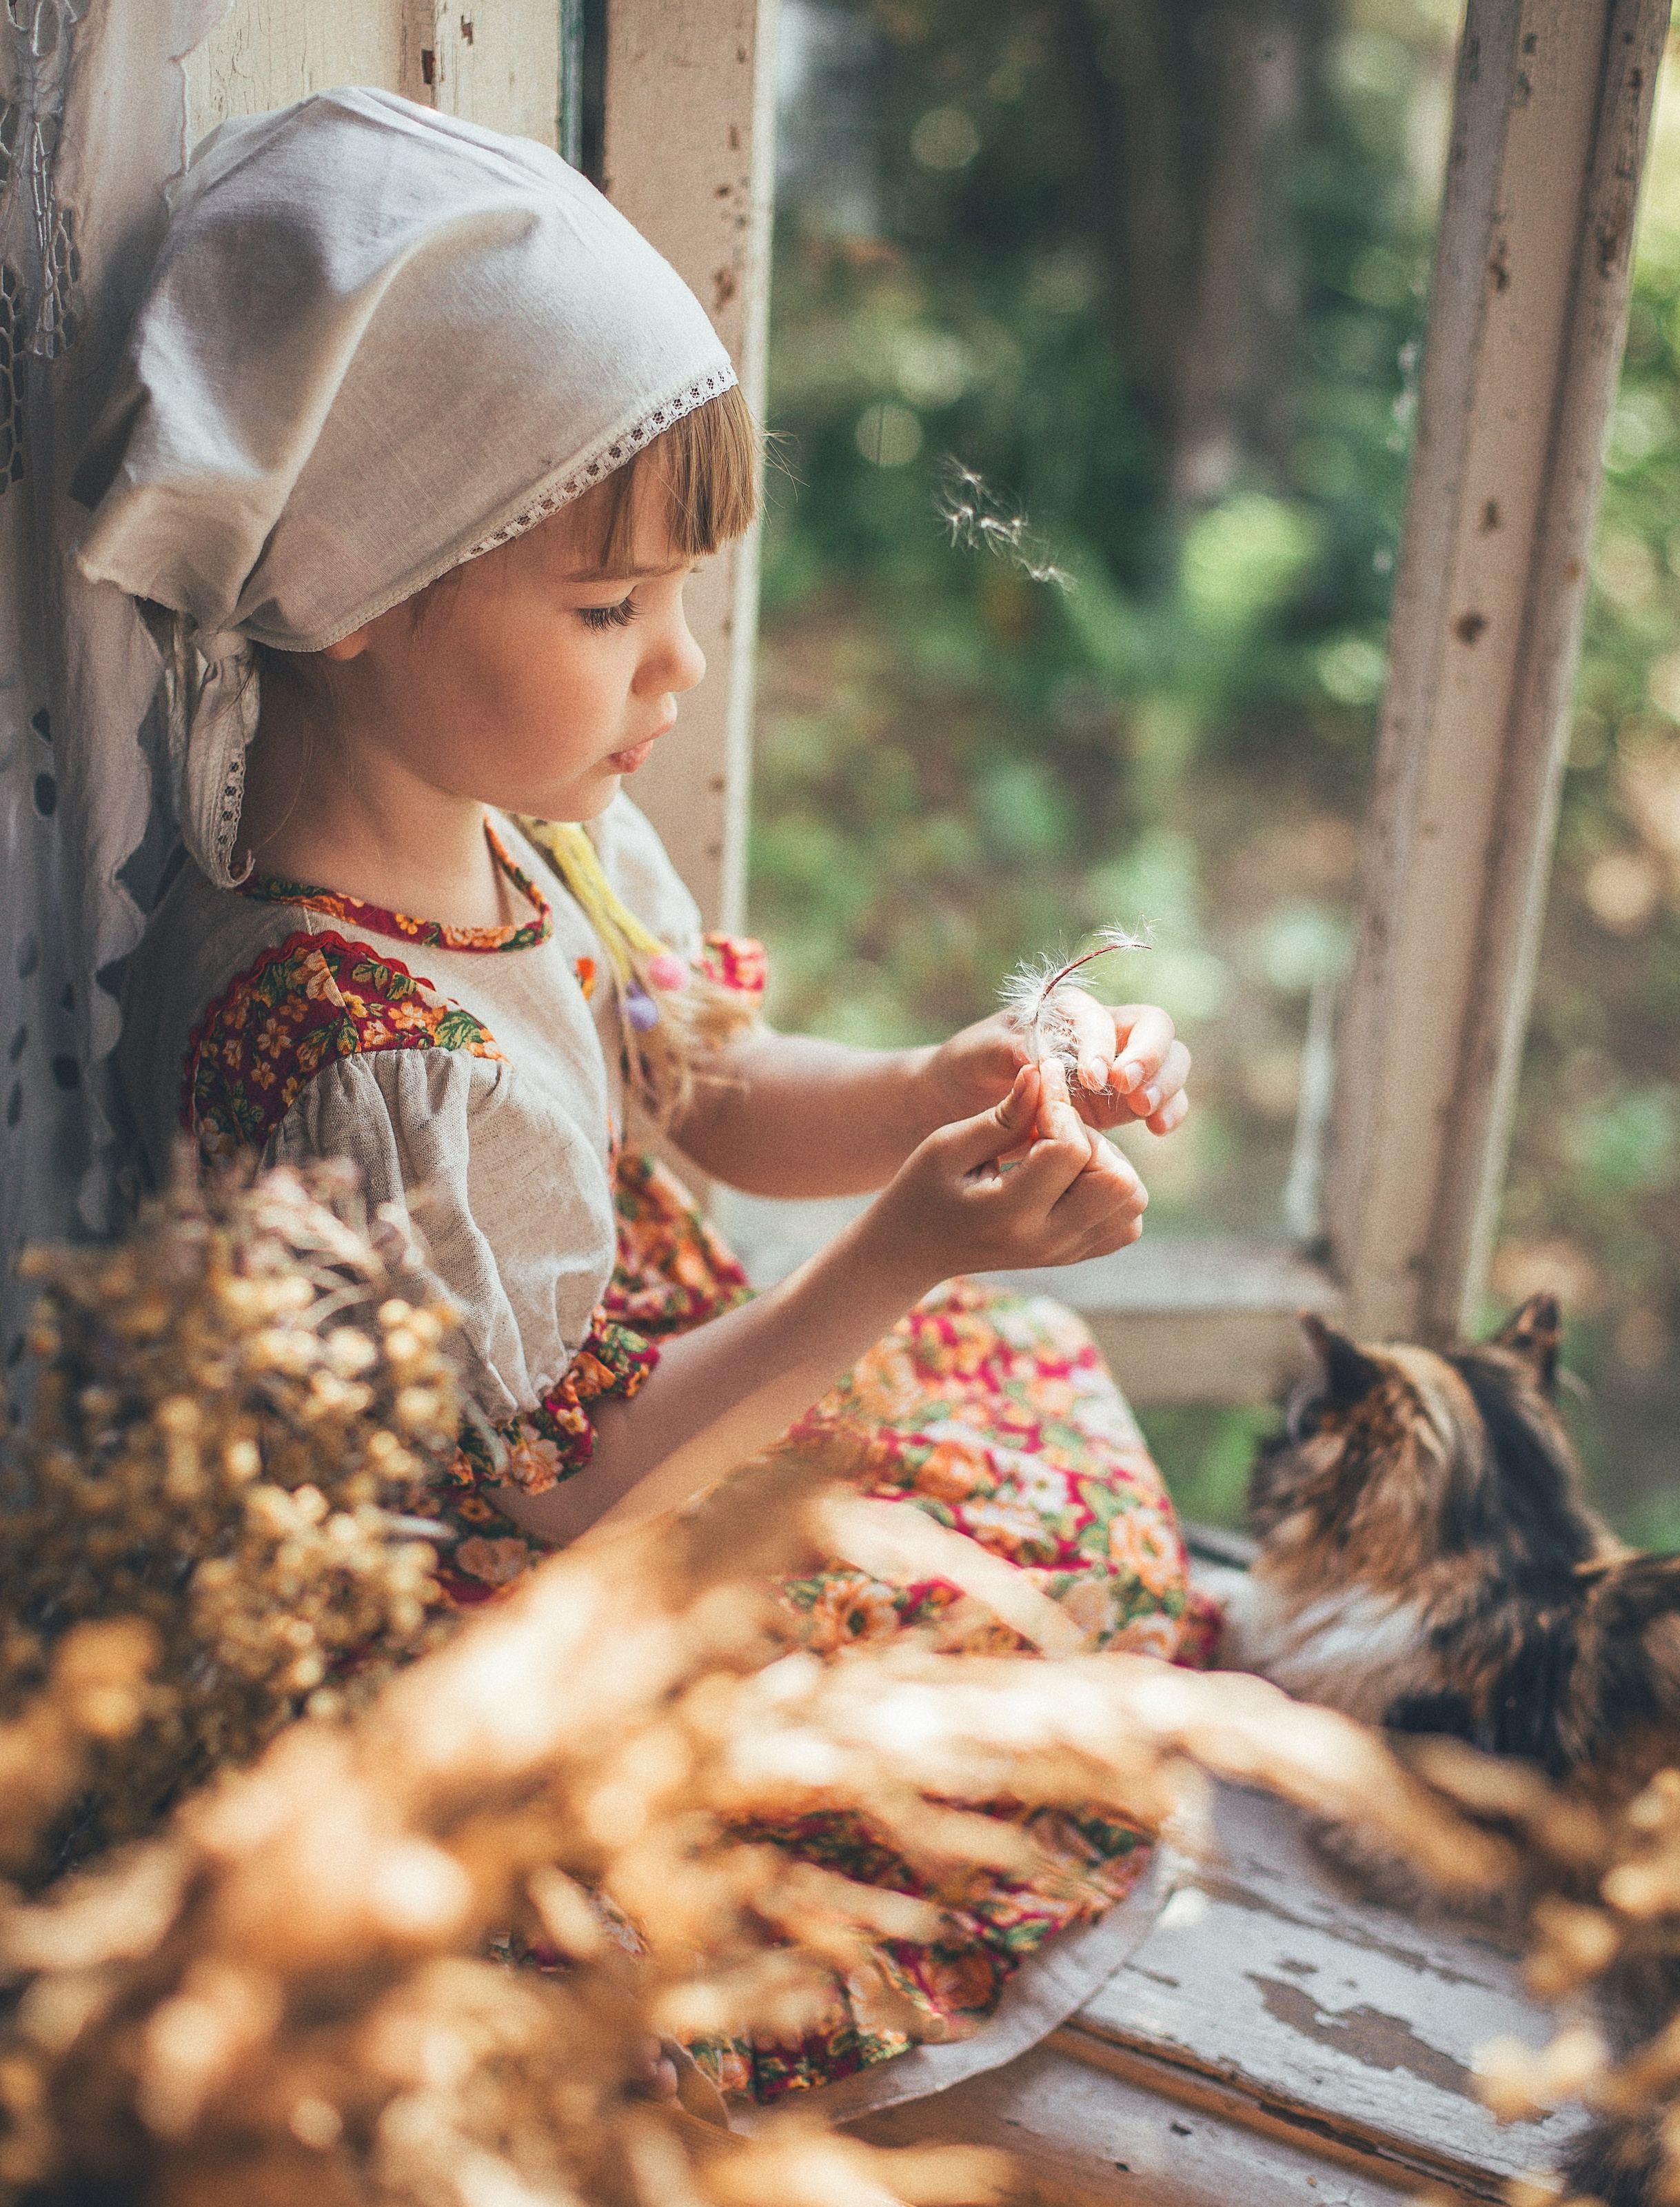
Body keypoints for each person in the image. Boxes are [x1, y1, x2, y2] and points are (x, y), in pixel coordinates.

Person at [81, 88, 1219, 2106]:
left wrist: (942, 1088)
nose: (675, 668)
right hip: (518, 1594)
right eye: (612, 610)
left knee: (993, 1472)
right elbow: (573, 1495)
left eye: (680, 597)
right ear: (359, 589)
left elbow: (705, 1092)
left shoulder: (534, 843)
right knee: (934, 1708)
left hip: (635, 1424)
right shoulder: (358, 1053)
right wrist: (909, 1247)